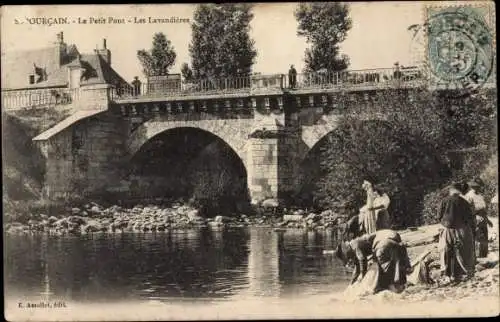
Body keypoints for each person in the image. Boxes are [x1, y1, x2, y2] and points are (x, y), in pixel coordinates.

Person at [335, 229, 412, 294]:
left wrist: (362, 275)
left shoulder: (355, 244)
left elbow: (362, 259)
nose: (349, 259)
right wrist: (352, 283)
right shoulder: (358, 243)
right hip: (394, 238)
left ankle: (389, 288)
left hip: (383, 244)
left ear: (346, 249)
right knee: (397, 264)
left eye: (347, 257)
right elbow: (357, 267)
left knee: (383, 269)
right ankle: (400, 285)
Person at [438, 181, 475, 283]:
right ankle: (463, 273)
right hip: (462, 229)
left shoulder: (444, 201)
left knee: (446, 251)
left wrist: (445, 223)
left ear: (451, 190)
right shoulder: (464, 202)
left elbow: (439, 216)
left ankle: (447, 274)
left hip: (447, 229)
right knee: (463, 251)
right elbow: (469, 217)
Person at [465, 178, 493, 258]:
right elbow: (467, 210)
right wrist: (475, 217)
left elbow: (483, 209)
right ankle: (476, 258)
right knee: (477, 237)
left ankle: (483, 256)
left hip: (483, 218)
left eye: (479, 186)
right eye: (476, 186)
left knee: (484, 237)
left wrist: (487, 220)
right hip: (475, 218)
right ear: (472, 186)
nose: (478, 188)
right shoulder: (469, 196)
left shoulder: (480, 196)